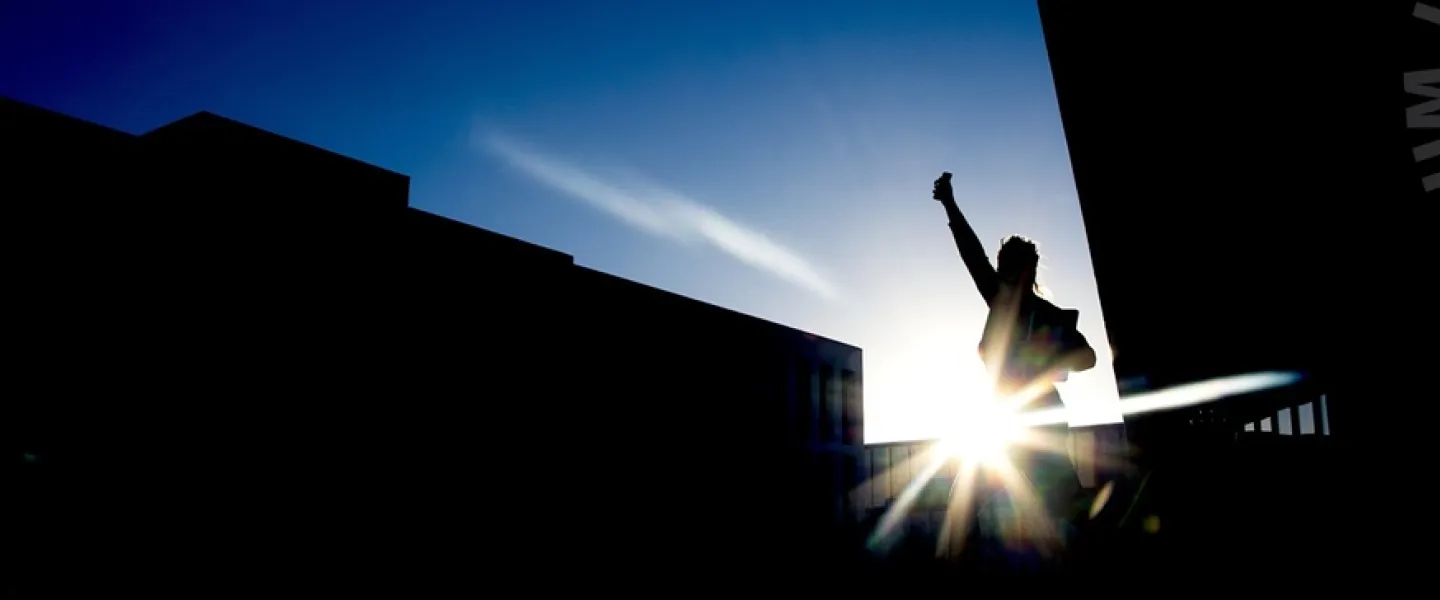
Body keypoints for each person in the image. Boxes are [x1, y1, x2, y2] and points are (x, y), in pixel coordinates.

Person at [930, 171, 1097, 561]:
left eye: (1008, 267)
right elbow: (972, 255)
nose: (1001, 274)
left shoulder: (1048, 316)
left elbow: (1088, 357)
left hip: (1038, 425)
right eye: (1001, 266)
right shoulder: (999, 299)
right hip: (1002, 423)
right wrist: (950, 205)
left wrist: (1051, 360)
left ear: (1025, 272)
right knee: (964, 503)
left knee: (1067, 510)